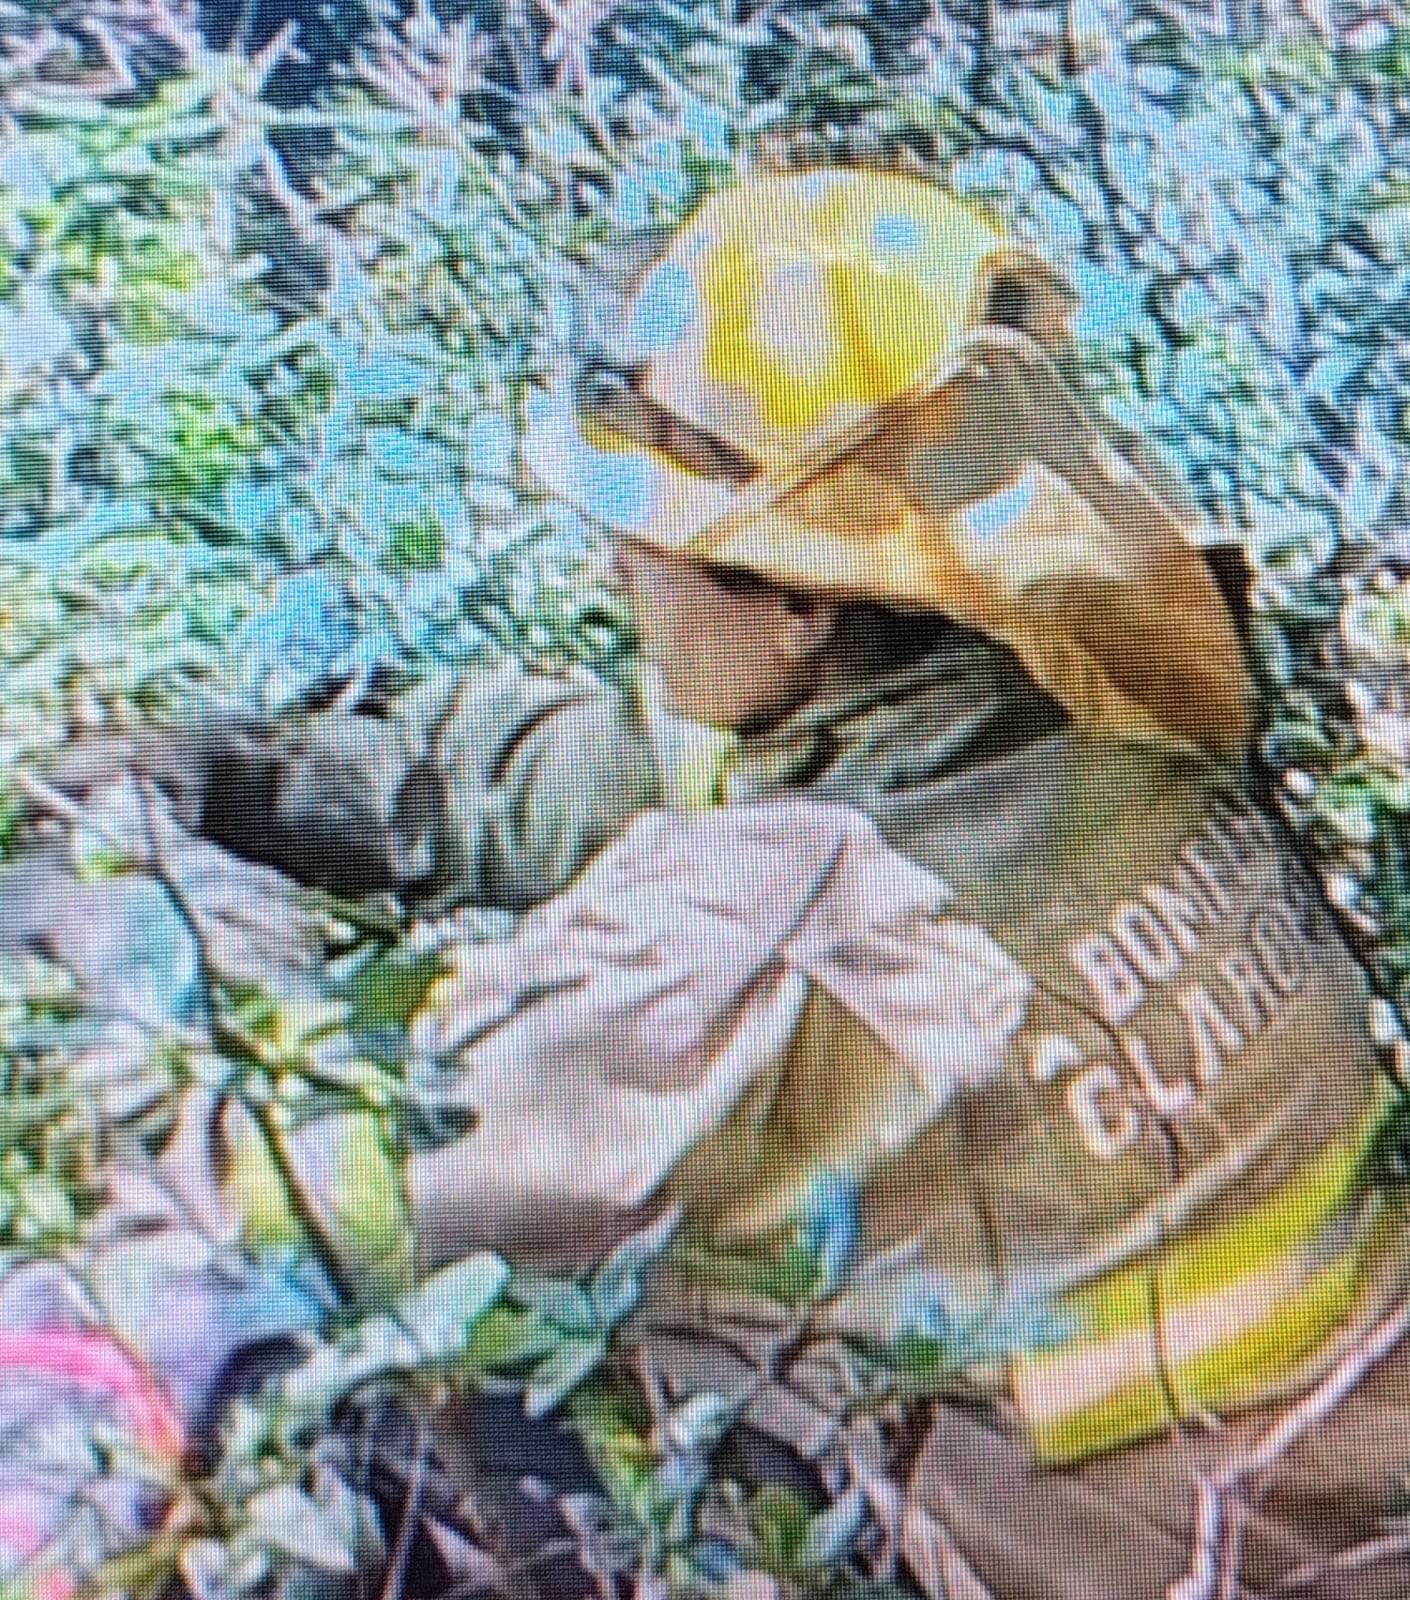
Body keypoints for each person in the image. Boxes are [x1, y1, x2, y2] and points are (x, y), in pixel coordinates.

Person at [13, 167, 1410, 1599]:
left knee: (251, 1374)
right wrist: (264, 771)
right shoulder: (1076, 720)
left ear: (801, 597)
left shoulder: (793, 934)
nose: (619, 559)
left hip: (1106, 1556)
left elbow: (289, 1172)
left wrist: (136, 881)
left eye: (654, 528)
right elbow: (619, 770)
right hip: (1303, 1509)